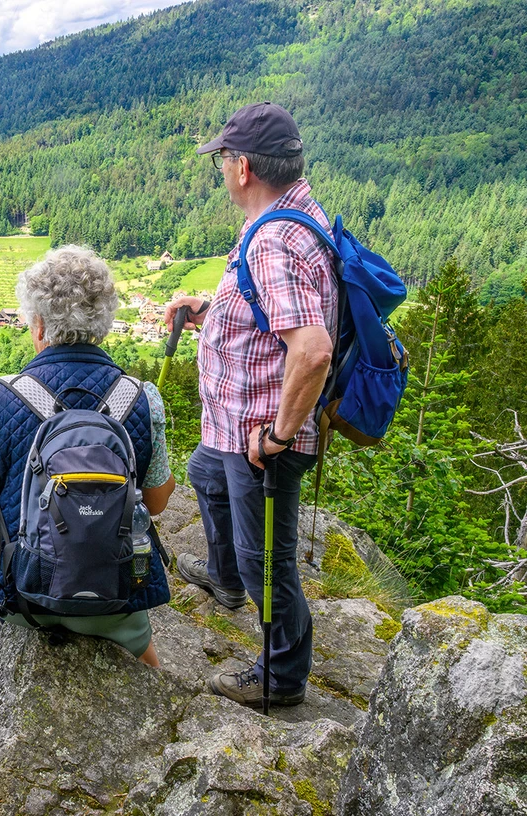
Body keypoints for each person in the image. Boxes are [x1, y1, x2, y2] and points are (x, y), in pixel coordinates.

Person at [164, 102, 335, 707]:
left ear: (243, 168)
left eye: (224, 161)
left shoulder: (273, 242)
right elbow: (275, 317)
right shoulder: (287, 218)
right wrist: (210, 314)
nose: (222, 172)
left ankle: (280, 677)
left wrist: (280, 437)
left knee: (269, 561)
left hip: (263, 439)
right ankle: (226, 580)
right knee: (203, 472)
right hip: (232, 429)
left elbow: (310, 350)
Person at [0, 245, 176, 667]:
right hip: (117, 596)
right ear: (104, 324)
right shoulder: (143, 399)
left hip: (25, 598)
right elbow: (158, 502)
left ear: (38, 324)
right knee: (148, 664)